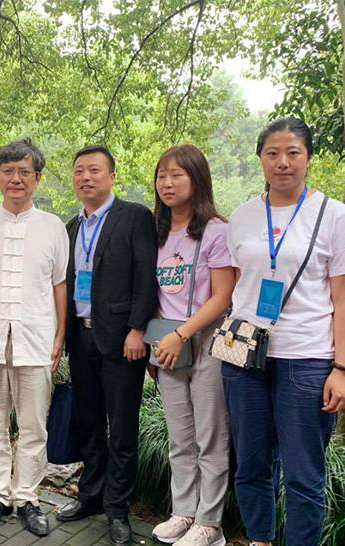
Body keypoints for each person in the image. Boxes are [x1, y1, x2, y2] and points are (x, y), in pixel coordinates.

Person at [223, 118, 345, 546]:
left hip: (306, 359)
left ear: (308, 158)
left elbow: (342, 297)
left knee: (303, 474)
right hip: (244, 356)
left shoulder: (333, 215)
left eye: (293, 152)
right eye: (272, 153)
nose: (283, 162)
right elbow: (238, 284)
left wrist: (341, 368)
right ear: (260, 158)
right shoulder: (242, 216)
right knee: (250, 465)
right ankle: (260, 539)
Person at [0, 139, 68, 538]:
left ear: (37, 178)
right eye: (8, 171)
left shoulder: (53, 227)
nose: (15, 179)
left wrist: (60, 334)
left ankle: (27, 498)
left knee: (34, 425)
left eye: (24, 171)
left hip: (35, 338)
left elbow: (59, 284)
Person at [57, 145, 157, 546]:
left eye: (94, 170)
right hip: (80, 336)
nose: (86, 177)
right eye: (79, 171)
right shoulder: (70, 227)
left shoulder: (134, 216)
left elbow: (146, 277)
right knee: (89, 423)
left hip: (121, 340)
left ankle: (118, 509)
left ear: (111, 176)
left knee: (122, 427)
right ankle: (91, 496)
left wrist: (138, 329)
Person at [148, 145, 234, 546]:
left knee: (210, 437)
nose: (167, 183)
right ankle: (183, 512)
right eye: (162, 175)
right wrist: (158, 341)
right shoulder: (156, 232)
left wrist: (181, 334)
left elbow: (223, 295)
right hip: (166, 345)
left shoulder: (216, 230)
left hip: (207, 342)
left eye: (177, 174)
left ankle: (210, 524)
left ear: (197, 179)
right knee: (180, 436)